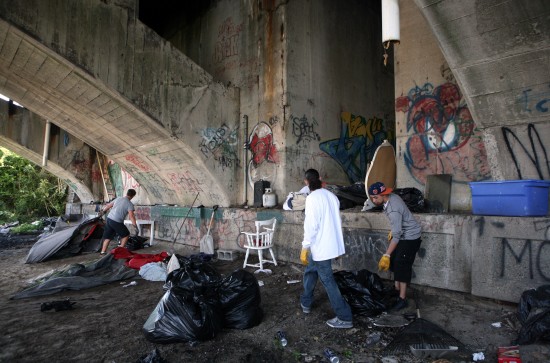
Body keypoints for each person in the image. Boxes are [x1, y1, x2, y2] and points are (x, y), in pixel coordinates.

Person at [299, 169, 353, 329]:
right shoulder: (332, 196)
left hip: (320, 247)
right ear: (320, 179)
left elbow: (311, 226)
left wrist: (304, 246)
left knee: (328, 281)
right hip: (326, 246)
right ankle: (306, 302)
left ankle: (345, 317)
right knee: (310, 270)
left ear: (306, 182)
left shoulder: (312, 199)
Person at [368, 181, 422, 312]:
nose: (374, 201)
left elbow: (397, 236)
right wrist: (394, 229)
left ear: (383, 194)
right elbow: (398, 224)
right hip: (403, 233)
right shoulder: (391, 197)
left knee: (402, 264)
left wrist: (386, 255)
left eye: (376, 197)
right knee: (395, 262)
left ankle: (402, 299)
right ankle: (396, 289)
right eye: (372, 198)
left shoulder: (393, 208)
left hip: (410, 236)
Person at [99, 189, 138, 254]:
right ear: (133, 196)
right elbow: (131, 216)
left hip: (109, 219)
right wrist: (135, 226)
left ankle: (103, 251)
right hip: (116, 221)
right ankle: (120, 251)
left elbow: (108, 206)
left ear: (127, 193)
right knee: (126, 235)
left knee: (108, 237)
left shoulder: (118, 198)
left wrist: (102, 212)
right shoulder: (129, 204)